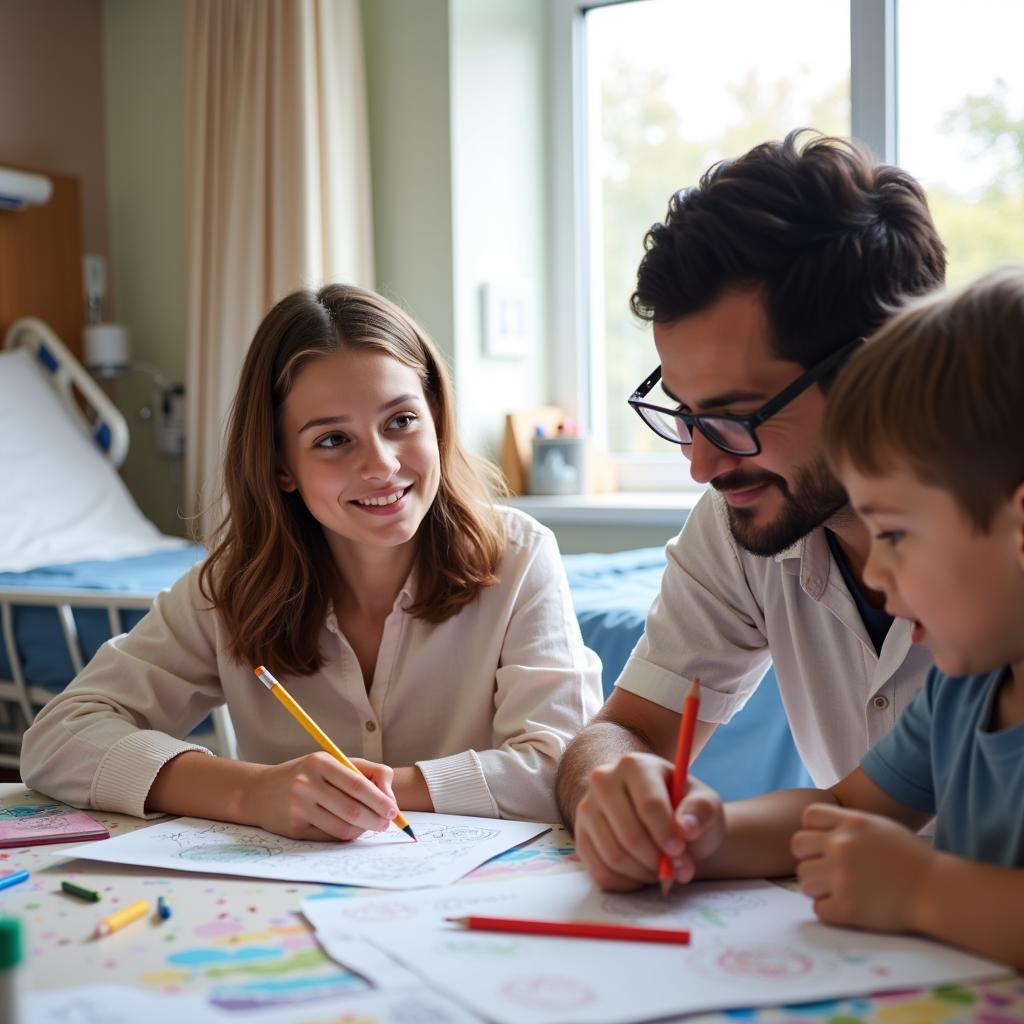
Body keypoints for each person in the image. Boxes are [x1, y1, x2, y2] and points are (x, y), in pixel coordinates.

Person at [21, 284, 602, 837]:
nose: (381, 465)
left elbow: (564, 768)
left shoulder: (521, 558)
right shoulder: (229, 590)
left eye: (401, 421)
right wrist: (250, 793)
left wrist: (384, 789)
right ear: (280, 467)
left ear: (437, 419)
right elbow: (57, 740)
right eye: (332, 440)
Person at [556, 129, 947, 891]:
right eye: (683, 414)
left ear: (880, 371)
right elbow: (625, 732)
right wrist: (620, 797)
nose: (702, 464)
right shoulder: (744, 515)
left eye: (735, 417)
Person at [657, 267, 1024, 969]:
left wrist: (923, 890)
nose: (875, 572)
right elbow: (845, 811)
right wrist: (709, 833)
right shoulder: (964, 690)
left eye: (893, 533)